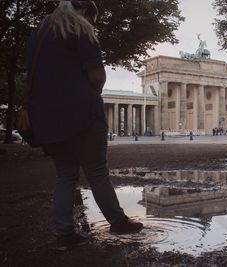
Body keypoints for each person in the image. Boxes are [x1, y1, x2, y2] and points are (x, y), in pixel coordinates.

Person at [27, 1, 143, 251]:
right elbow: (97, 75)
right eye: (92, 18)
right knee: (97, 172)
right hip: (82, 113)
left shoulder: (38, 33)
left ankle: (64, 234)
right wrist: (91, 91)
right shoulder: (80, 28)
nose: (92, 23)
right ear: (84, 12)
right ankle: (118, 221)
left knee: (65, 175)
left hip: (47, 118)